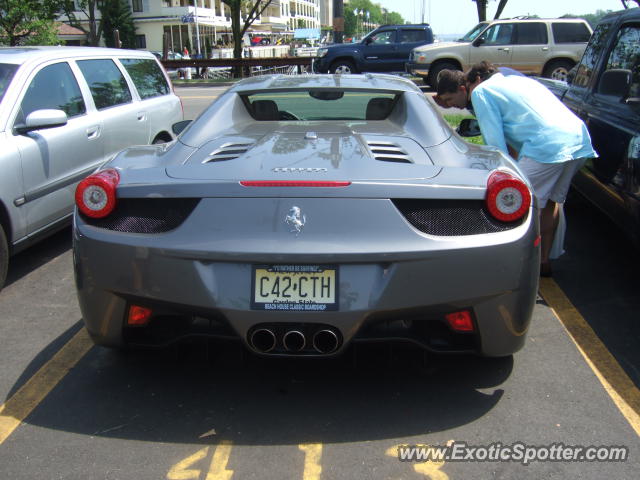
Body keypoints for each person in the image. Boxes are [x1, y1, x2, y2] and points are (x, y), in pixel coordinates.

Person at [461, 61, 597, 276]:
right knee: (551, 201)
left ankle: (519, 266)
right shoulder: (520, 81)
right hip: (577, 139)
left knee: (519, 205)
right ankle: (543, 262)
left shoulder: (482, 91)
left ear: (475, 80)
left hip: (548, 147)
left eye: (467, 89)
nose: (469, 95)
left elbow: (495, 144)